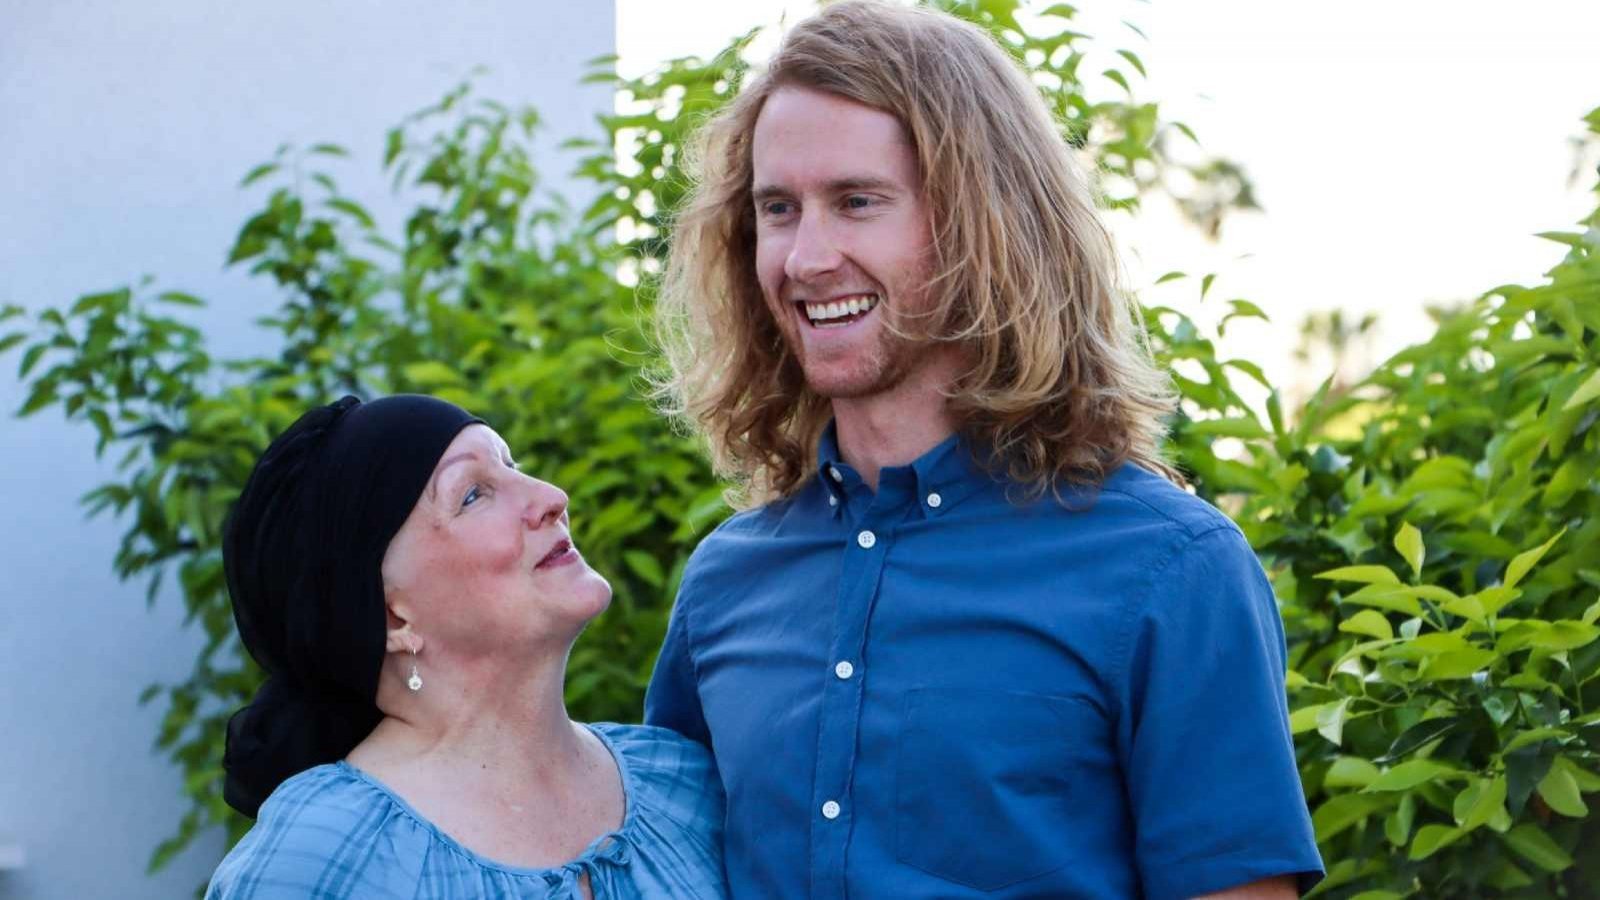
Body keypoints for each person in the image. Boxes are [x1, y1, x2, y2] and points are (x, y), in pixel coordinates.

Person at [644, 2, 1324, 898]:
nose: (806, 257)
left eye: (856, 202)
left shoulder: (1171, 571)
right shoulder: (725, 585)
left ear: (981, 224)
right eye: (778, 209)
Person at [207, 394, 726, 899]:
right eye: (473, 494)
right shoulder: (325, 856)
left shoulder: (682, 785)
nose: (550, 498)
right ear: (392, 616)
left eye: (512, 465)